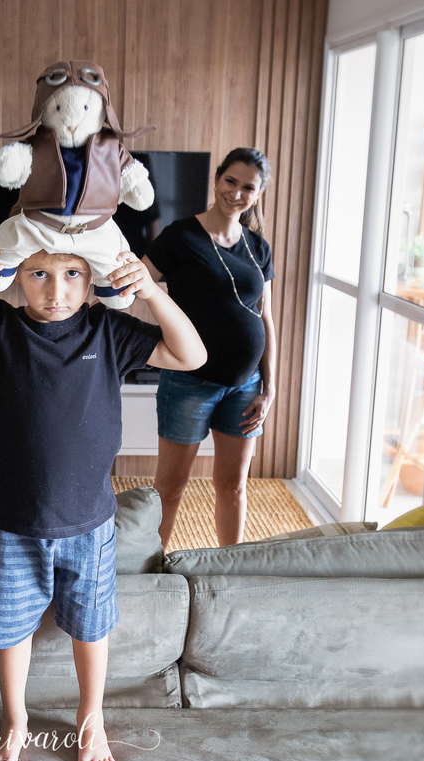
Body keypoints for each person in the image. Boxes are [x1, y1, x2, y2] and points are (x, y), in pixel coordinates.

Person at [0, 239, 205, 761]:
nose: (55, 290)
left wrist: (152, 293)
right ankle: (14, 719)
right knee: (10, 628)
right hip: (9, 523)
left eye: (71, 274)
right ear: (16, 275)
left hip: (90, 522)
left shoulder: (108, 330)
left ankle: (91, 717)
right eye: (39, 274)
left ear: (91, 279)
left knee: (90, 626)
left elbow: (191, 355)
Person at [143, 147, 276, 548]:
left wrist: (269, 389)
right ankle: (152, 566)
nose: (237, 193)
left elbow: (266, 318)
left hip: (246, 386)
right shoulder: (180, 236)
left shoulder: (258, 246)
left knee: (233, 486)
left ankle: (229, 567)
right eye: (230, 181)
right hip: (189, 383)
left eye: (248, 187)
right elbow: (138, 284)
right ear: (217, 180)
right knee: (171, 486)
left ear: (259, 194)